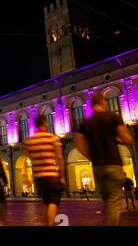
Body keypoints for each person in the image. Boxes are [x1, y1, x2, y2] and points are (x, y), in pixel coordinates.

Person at [76, 92, 133, 226]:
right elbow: (127, 138)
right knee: (114, 202)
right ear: (103, 102)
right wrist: (119, 139)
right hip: (113, 164)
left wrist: (92, 158)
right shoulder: (113, 117)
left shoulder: (85, 123)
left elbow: (79, 146)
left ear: (92, 106)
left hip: (98, 168)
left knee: (108, 201)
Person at [22, 115, 66, 226]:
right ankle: (50, 224)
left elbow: (25, 159)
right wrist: (62, 176)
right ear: (45, 123)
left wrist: (26, 177)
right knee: (53, 202)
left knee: (46, 202)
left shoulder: (29, 141)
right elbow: (60, 158)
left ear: (36, 125)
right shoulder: (53, 138)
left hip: (39, 178)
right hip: (51, 175)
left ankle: (44, 222)